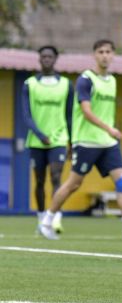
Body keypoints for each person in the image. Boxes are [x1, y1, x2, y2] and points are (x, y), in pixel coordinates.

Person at [39, 40, 122, 241]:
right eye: (100, 52)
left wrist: (110, 131)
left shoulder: (112, 81)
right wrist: (110, 129)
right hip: (86, 141)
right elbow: (86, 111)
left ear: (113, 55)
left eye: (108, 52)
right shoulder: (86, 79)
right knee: (73, 185)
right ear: (94, 55)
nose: (104, 55)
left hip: (108, 143)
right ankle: (47, 221)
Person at [22, 46, 73, 234]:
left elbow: (69, 116)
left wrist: (72, 142)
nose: (46, 59)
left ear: (56, 59)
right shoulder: (29, 84)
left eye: (50, 57)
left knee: (56, 176)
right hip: (37, 141)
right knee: (40, 181)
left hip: (59, 139)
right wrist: (40, 134)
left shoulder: (66, 84)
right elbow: (26, 116)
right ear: (39, 59)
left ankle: (55, 218)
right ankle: (41, 218)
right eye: (43, 56)